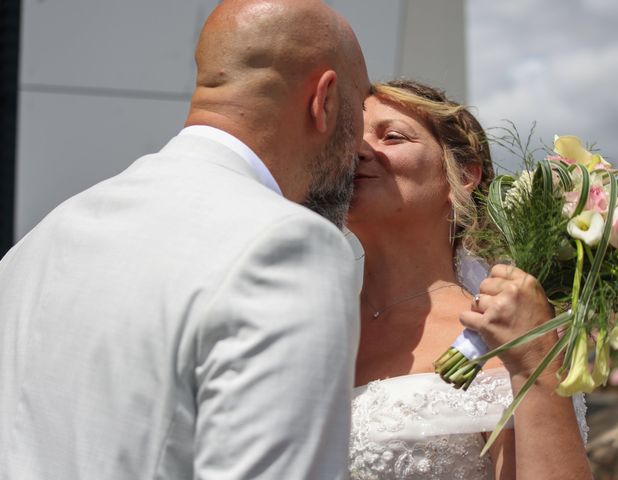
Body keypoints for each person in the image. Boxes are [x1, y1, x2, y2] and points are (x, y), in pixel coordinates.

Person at [0, 1, 370, 479]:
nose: (363, 145)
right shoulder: (288, 247)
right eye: (361, 107)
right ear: (325, 100)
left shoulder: (43, 238)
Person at [347, 80, 592, 479]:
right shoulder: (314, 324)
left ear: (463, 174)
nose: (359, 150)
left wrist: (532, 362)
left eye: (391, 137)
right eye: (349, 139)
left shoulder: (501, 332)